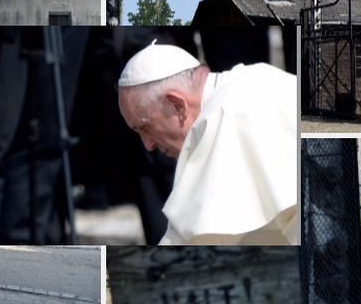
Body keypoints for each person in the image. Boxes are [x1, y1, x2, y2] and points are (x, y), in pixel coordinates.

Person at [117, 40, 299, 245]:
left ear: (177, 105)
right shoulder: (254, 80)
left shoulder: (224, 115)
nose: (148, 145)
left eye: (145, 127)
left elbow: (193, 243)